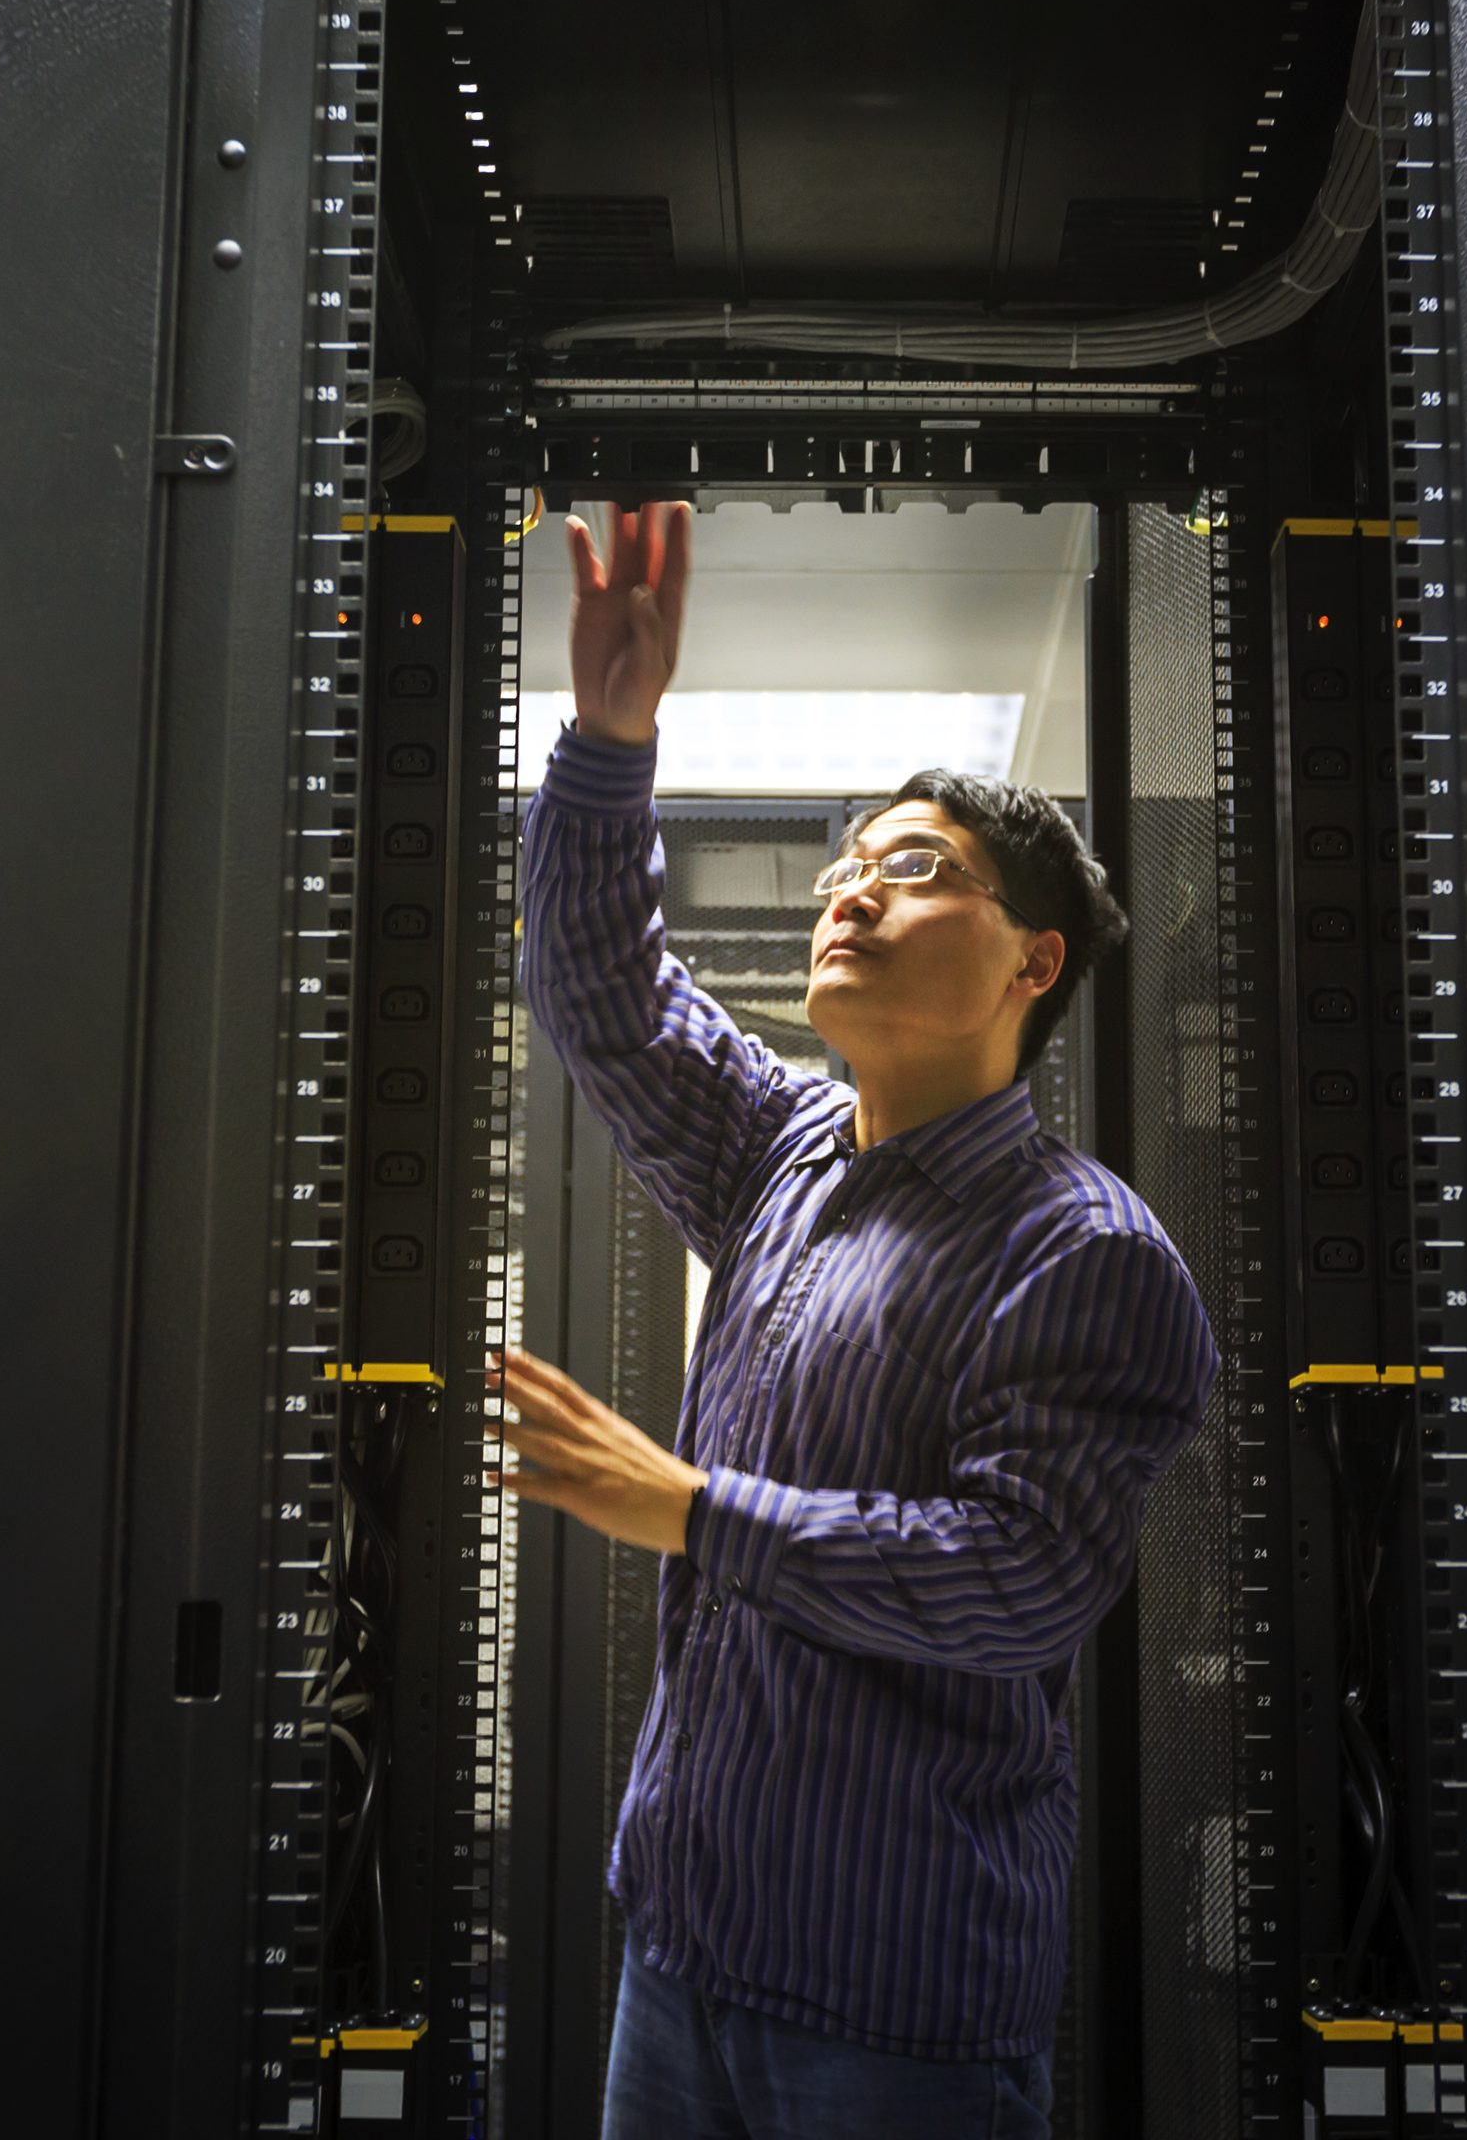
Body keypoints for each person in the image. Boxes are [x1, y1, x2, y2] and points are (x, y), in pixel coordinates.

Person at [494, 499, 1218, 2139]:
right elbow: (601, 995)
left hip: (893, 2008)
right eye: (843, 869)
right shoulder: (784, 1147)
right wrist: (610, 745)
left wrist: (694, 1511)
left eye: (912, 870)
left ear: (1030, 963)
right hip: (680, 1949)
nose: (850, 895)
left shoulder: (1083, 1253)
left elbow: (1016, 1580)